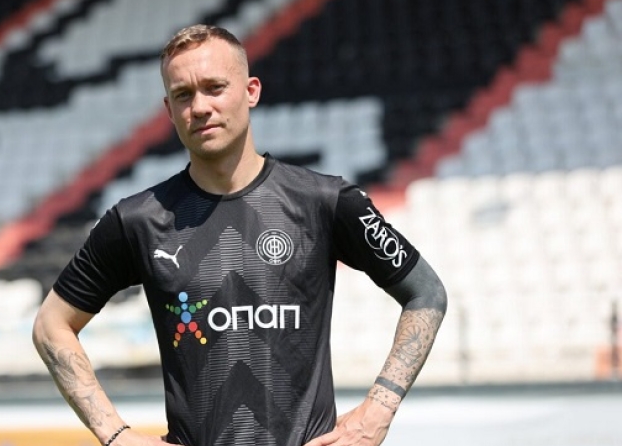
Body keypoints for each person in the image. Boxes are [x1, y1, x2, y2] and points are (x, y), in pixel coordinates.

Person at [32, 24, 447, 446]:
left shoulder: (325, 201)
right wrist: (115, 434)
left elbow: (427, 293)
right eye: (183, 95)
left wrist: (378, 409)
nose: (200, 107)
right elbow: (52, 324)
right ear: (169, 109)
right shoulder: (138, 220)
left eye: (215, 88)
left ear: (251, 91)